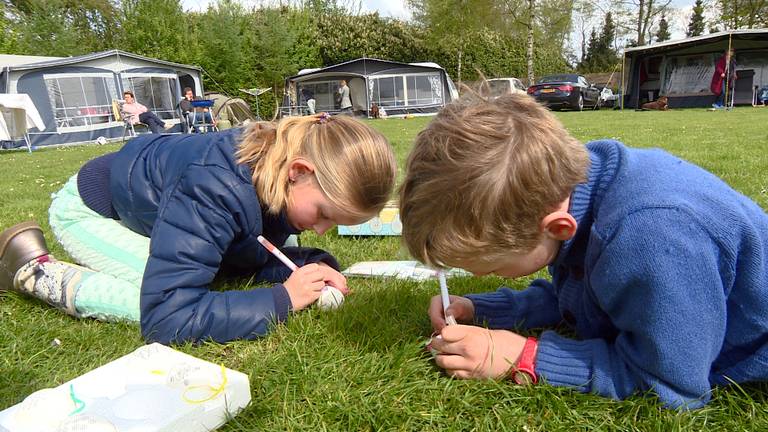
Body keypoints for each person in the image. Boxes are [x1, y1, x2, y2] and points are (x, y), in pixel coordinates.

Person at [399, 92, 768, 409]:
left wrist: (525, 357)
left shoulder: (652, 237)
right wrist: (485, 308)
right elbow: (586, 296)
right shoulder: (573, 189)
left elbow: (671, 383)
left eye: (491, 266)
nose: (479, 276)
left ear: (557, 228)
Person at [0, 113, 396, 344]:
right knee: (146, 295)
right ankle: (33, 271)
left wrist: (311, 263)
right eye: (324, 214)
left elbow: (248, 250)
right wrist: (283, 300)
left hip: (159, 206)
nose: (322, 230)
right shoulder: (216, 186)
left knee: (216, 274)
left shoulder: (278, 178)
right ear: (298, 172)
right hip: (89, 210)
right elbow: (168, 314)